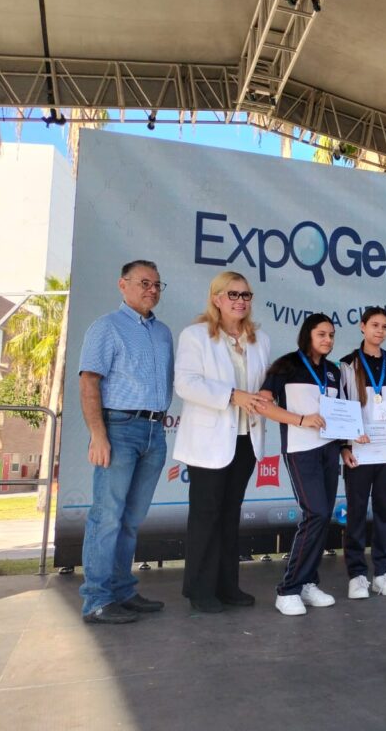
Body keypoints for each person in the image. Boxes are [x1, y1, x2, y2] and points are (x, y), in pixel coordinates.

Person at [77, 260, 173, 624]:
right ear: (123, 284)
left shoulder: (163, 332)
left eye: (157, 284)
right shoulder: (106, 327)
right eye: (144, 283)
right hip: (118, 429)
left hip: (154, 431)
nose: (152, 290)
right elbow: (89, 382)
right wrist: (98, 434)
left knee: (131, 519)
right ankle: (97, 600)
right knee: (107, 517)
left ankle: (122, 591)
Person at [173, 272, 269, 613]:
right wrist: (231, 395)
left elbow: (261, 384)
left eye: (246, 295)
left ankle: (228, 587)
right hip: (208, 442)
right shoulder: (195, 335)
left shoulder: (259, 339)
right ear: (216, 298)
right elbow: (185, 384)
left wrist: (266, 393)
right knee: (206, 516)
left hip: (246, 439)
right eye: (233, 294)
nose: (240, 301)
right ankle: (200, 591)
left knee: (230, 515)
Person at [256, 313, 344, 616]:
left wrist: (349, 437)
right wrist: (301, 419)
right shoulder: (286, 365)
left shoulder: (333, 371)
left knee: (324, 516)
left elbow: (341, 411)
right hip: (300, 450)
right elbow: (263, 404)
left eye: (331, 335)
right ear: (308, 334)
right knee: (314, 513)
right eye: (322, 334)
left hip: (329, 450)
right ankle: (288, 589)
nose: (328, 340)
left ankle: (308, 582)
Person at [338, 307, 386, 599]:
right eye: (374, 325)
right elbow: (341, 408)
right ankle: (357, 575)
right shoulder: (347, 364)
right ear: (362, 326)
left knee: (385, 512)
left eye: (384, 326)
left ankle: (381, 573)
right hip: (359, 452)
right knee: (356, 513)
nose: (380, 331)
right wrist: (344, 446)